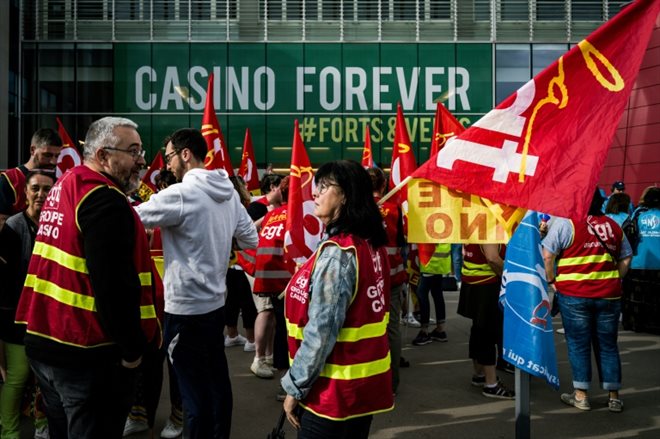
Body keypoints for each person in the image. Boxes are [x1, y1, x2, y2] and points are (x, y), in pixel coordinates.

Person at [15, 117, 161, 438]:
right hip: (85, 353)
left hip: (46, 343)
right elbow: (114, 287)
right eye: (133, 151)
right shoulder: (104, 200)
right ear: (104, 156)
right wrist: (133, 352)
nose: (141, 160)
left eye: (141, 150)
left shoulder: (68, 185)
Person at [135, 128, 258, 439]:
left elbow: (129, 218)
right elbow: (250, 238)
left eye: (170, 156)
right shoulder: (228, 192)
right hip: (215, 305)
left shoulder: (179, 194)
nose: (168, 164)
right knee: (217, 384)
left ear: (185, 154)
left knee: (193, 394)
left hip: (184, 309)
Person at [282, 160, 393, 438]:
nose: (315, 194)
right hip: (361, 389)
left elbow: (321, 331)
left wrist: (295, 387)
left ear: (344, 195)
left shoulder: (339, 253)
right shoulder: (369, 243)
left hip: (331, 393)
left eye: (324, 187)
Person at [543, 189, 632, 413]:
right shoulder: (613, 226)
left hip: (575, 294)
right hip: (609, 294)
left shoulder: (567, 223)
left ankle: (581, 395)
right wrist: (615, 278)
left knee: (578, 343)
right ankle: (613, 397)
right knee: (608, 345)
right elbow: (626, 256)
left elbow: (548, 254)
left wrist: (552, 280)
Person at [0, 170, 55, 439]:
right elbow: (3, 281)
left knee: (46, 380)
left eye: (47, 190)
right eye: (36, 188)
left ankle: (42, 426)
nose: (41, 195)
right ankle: (9, 432)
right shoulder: (13, 226)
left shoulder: (59, 227)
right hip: (16, 319)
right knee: (18, 377)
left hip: (48, 317)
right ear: (25, 192)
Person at [250, 176, 294, 382]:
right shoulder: (296, 216)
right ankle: (287, 377)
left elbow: (253, 228)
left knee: (280, 326)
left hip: (269, 280)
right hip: (286, 282)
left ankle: (280, 370)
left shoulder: (273, 215)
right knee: (288, 329)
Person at [457, 243, 515, 399]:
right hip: (486, 284)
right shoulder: (488, 223)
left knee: (478, 329)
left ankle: (479, 374)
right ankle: (491, 384)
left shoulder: (474, 219)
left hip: (473, 281)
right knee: (488, 332)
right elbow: (492, 258)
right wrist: (510, 277)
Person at [367, 167, 406, 392]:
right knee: (392, 329)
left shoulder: (357, 209)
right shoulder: (394, 209)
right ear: (383, 185)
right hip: (392, 277)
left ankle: (370, 378)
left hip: (367, 279)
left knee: (365, 327)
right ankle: (391, 383)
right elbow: (402, 240)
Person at [0, 128, 62, 228]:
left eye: (57, 156)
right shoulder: (9, 180)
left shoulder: (59, 183)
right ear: (32, 150)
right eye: (47, 155)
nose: (53, 162)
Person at [224, 175, 258, 353]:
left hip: (229, 261)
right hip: (242, 260)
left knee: (232, 299)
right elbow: (248, 234)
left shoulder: (222, 206)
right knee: (246, 302)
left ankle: (232, 335)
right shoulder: (241, 207)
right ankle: (251, 339)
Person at [622, 186, 660, 333]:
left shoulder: (638, 214)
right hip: (658, 265)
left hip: (638, 262)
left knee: (637, 298)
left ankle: (635, 324)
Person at [411, 244, 451, 346]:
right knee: (437, 292)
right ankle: (440, 330)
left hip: (429, 259)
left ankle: (424, 331)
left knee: (422, 293)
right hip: (440, 260)